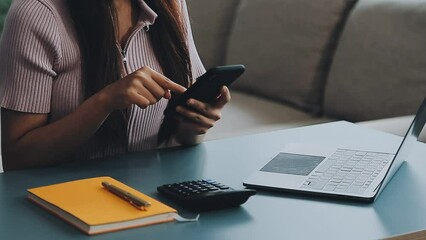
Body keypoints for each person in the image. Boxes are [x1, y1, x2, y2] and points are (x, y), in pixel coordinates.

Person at [0, 0, 231, 170]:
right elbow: (18, 157)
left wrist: (194, 123)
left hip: (148, 200)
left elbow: (178, 140)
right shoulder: (36, 12)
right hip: (60, 202)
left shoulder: (171, 4)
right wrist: (105, 102)